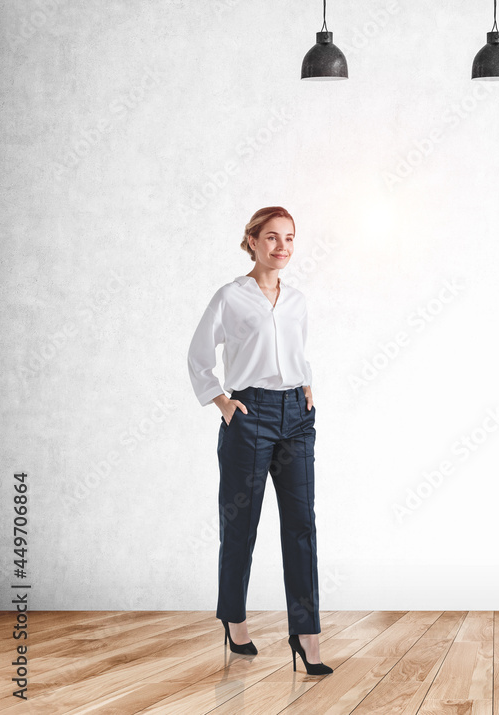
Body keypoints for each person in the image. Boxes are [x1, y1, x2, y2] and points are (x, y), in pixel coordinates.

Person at [186, 206, 332, 676]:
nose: (282, 247)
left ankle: (306, 634)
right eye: (271, 237)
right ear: (251, 241)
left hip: (296, 415)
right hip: (250, 415)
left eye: (289, 238)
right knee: (241, 524)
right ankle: (234, 618)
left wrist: (307, 384)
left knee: (301, 525)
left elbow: (297, 352)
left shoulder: (298, 300)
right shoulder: (231, 297)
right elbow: (198, 355)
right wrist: (222, 401)